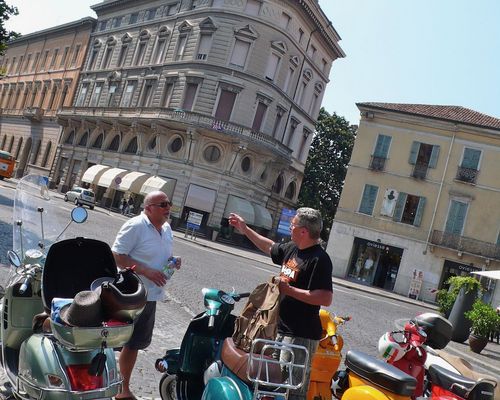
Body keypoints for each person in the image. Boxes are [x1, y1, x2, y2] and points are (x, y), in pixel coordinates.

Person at [229, 208, 333, 400]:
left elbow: (325, 297)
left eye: (293, 224)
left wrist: (290, 291)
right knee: (271, 383)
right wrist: (244, 228)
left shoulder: (319, 259)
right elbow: (269, 247)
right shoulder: (293, 248)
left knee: (291, 389)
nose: (290, 227)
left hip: (299, 334)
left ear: (303, 231)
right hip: (278, 328)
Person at [111, 191, 181, 400]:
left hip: (151, 295)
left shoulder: (167, 228)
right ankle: (114, 387)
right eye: (163, 204)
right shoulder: (136, 225)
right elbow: (117, 256)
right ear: (148, 207)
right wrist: (145, 271)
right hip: (130, 293)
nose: (168, 207)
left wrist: (173, 261)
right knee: (115, 340)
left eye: (169, 204)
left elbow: (161, 254)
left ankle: (122, 388)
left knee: (134, 343)